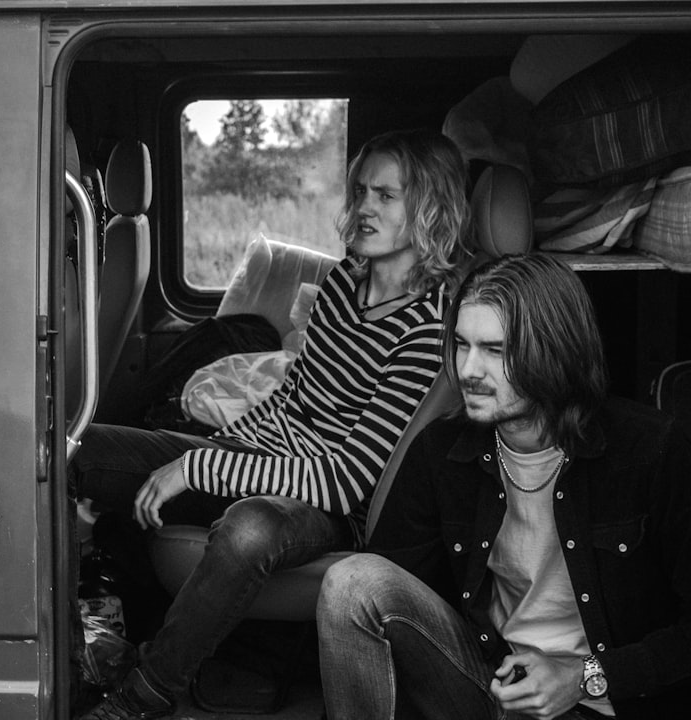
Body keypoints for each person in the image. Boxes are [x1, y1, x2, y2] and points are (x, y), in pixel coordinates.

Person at [72, 128, 473, 720]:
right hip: (261, 458)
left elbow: (347, 480)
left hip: (326, 508)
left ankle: (145, 696)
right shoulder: (343, 282)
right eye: (360, 190)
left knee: (249, 529)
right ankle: (88, 641)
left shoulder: (428, 329)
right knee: (86, 449)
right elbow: (292, 398)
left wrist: (202, 466)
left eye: (386, 196)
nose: (363, 207)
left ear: (430, 209)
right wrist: (223, 449)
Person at [317, 253, 691, 720]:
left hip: (601, 698)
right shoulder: (441, 452)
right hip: (485, 682)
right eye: (461, 344)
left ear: (554, 349)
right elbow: (398, 599)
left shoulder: (651, 449)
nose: (469, 370)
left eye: (494, 350)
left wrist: (584, 677)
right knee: (353, 581)